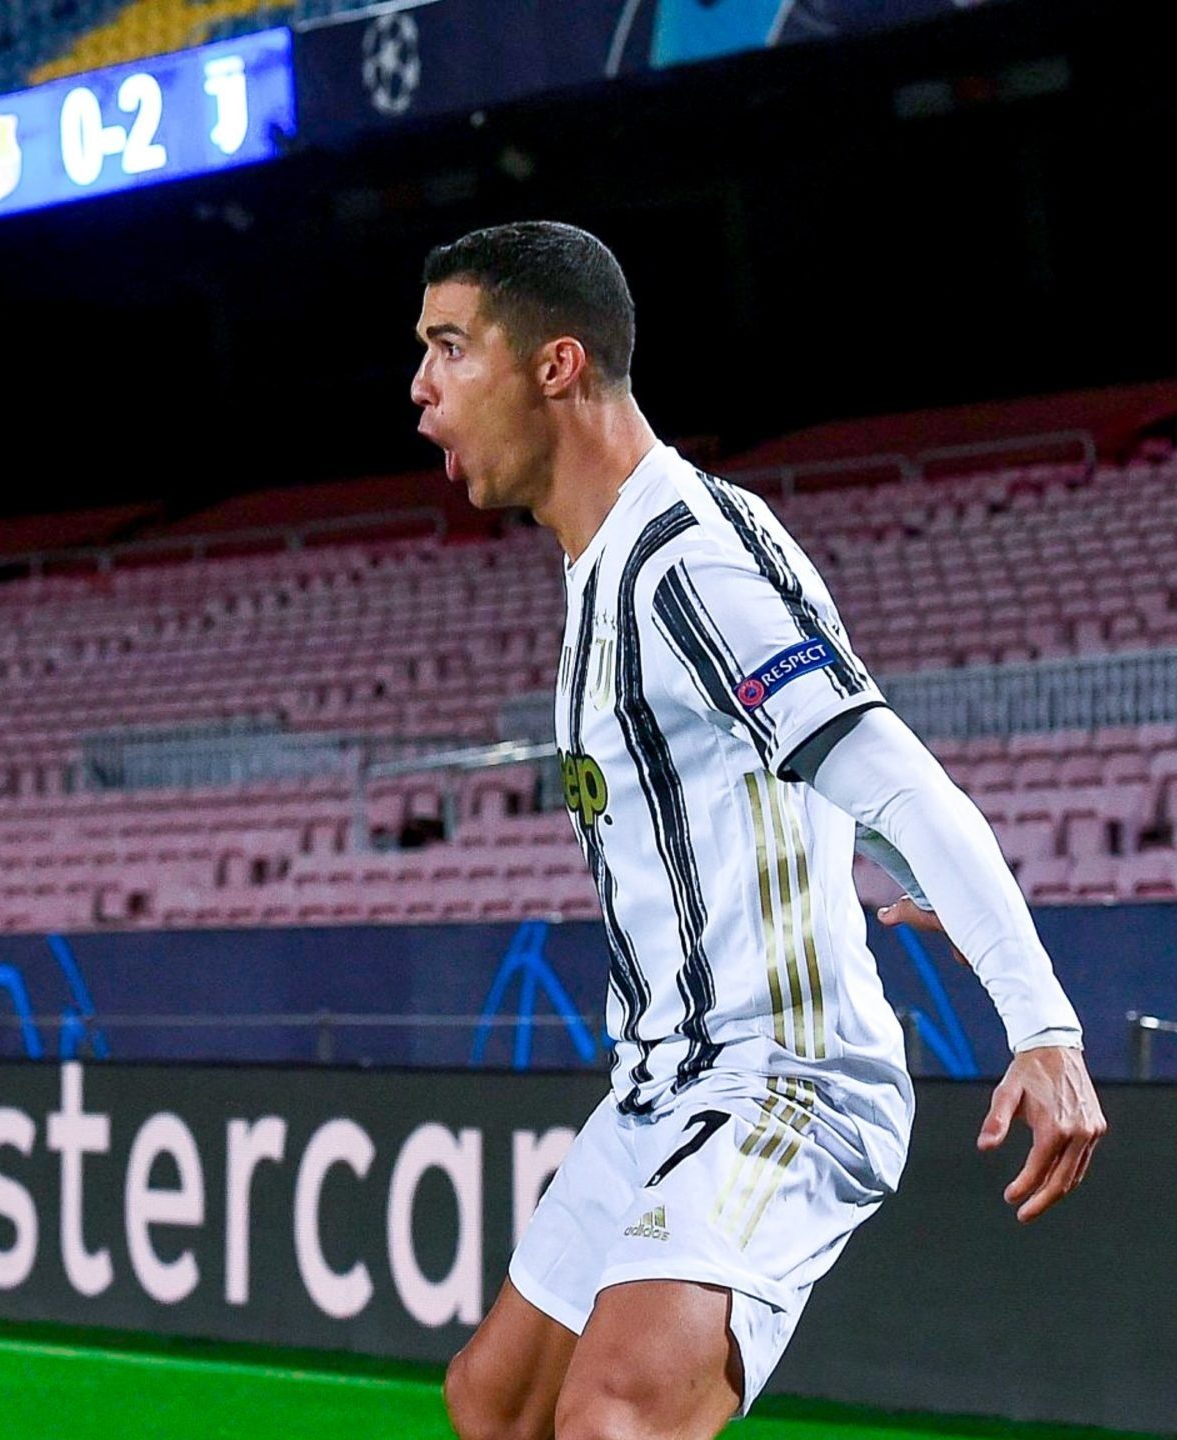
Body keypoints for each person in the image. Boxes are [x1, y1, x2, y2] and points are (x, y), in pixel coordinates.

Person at [410, 221, 1106, 1440]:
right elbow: (774, 775)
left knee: (614, 1413)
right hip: (660, 1084)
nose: (421, 388)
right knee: (494, 1401)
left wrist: (1041, 1026)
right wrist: (891, 870)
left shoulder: (685, 562)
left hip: (786, 1075)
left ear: (556, 365)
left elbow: (895, 776)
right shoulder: (606, 564)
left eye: (450, 347)